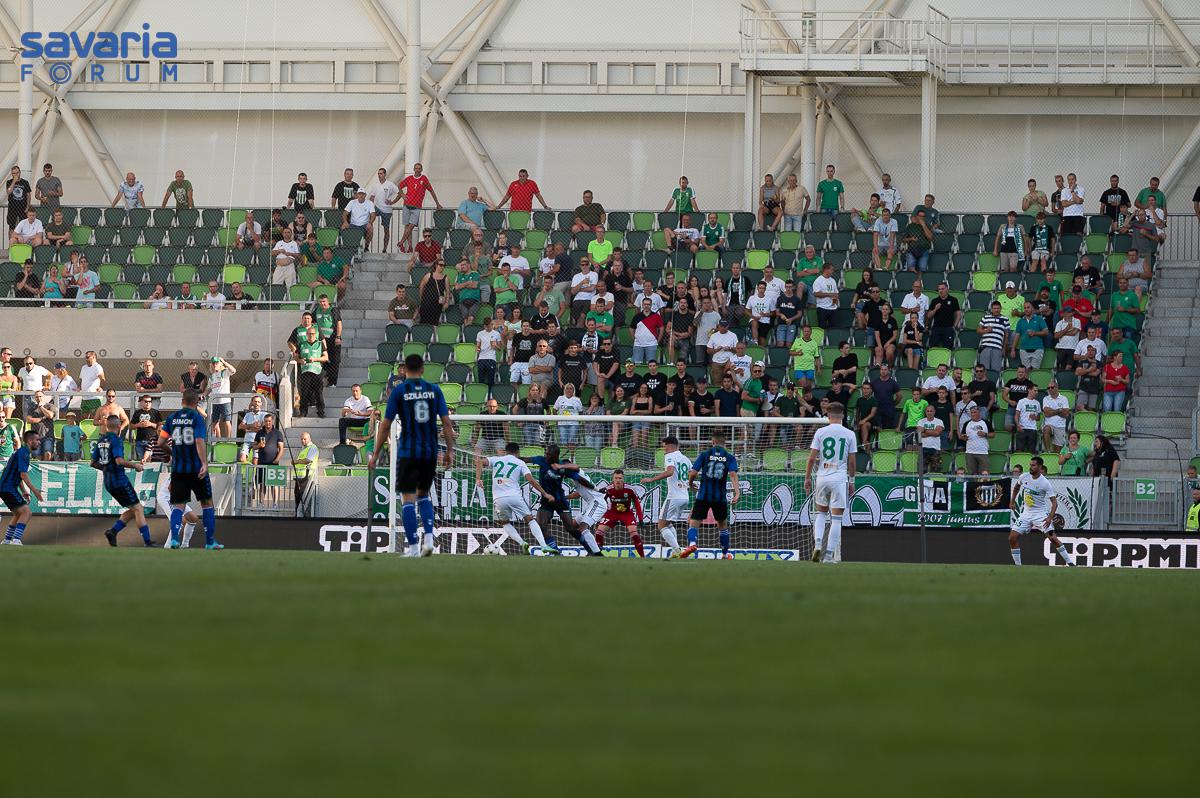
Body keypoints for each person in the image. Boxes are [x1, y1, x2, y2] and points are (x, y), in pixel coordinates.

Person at [368, 354, 456, 557]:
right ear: (422, 369)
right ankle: (429, 539)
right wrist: (450, 450)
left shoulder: (399, 391)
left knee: (408, 499)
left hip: (408, 450)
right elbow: (446, 423)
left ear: (405, 370)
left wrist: (376, 453)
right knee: (423, 495)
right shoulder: (434, 390)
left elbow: (386, 425)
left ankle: (414, 548)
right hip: (429, 451)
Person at [160, 389, 221, 549]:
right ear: (196, 403)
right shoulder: (197, 418)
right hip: (195, 468)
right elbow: (199, 441)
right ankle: (209, 542)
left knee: (178, 505)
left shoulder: (172, 418)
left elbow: (160, 442)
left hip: (178, 469)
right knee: (207, 504)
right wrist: (204, 463)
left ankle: (175, 539)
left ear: (182, 401)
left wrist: (174, 453)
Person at [475, 441, 554, 554]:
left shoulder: (496, 459)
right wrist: (545, 494)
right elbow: (531, 480)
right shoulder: (520, 462)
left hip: (499, 499)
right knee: (530, 519)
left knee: (505, 522)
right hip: (515, 496)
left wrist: (478, 479)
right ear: (518, 452)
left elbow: (479, 461)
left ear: (506, 451)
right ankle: (543, 545)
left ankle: (522, 543)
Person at [805, 403, 858, 563]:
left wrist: (807, 478)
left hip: (822, 476)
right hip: (839, 477)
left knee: (821, 514)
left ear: (828, 415)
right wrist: (852, 481)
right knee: (836, 519)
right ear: (843, 416)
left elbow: (812, 458)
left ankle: (818, 545)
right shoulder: (849, 434)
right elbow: (852, 462)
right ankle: (828, 555)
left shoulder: (820, 432)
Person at [680, 429, 740, 560]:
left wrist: (690, 483)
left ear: (712, 441)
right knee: (722, 525)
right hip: (720, 497)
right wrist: (737, 492)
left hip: (703, 495)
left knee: (694, 522)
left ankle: (692, 544)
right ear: (725, 442)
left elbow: (693, 472)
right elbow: (733, 474)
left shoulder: (705, 454)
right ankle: (725, 554)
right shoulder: (730, 457)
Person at [93, 415, 153, 547]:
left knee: (133, 508)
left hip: (108, 482)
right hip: (119, 480)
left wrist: (106, 469)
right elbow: (119, 461)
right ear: (119, 426)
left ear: (107, 426)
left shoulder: (101, 440)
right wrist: (135, 465)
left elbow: (93, 463)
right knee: (138, 508)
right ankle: (148, 542)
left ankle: (113, 532)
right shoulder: (116, 440)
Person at [1008, 456, 1076, 566]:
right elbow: (1016, 487)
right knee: (1012, 538)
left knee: (1053, 538)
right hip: (1026, 514)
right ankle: (1018, 566)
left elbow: (1055, 503)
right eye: (1030, 465)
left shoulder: (1045, 483)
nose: (1031, 467)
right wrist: (1012, 501)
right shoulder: (1024, 476)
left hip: (1040, 514)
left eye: (1033, 465)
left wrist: (1049, 518)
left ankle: (1070, 563)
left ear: (1040, 467)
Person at [0, 430, 44, 545]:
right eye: (37, 440)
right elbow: (23, 475)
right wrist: (35, 491)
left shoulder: (21, 452)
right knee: (27, 513)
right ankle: (16, 540)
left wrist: (24, 491)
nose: (39, 442)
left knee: (18, 514)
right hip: (8, 488)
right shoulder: (24, 453)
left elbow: (18, 474)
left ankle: (7, 540)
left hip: (5, 488)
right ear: (30, 441)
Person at [593, 469, 646, 556]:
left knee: (634, 533)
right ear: (613, 479)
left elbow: (637, 504)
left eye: (620, 478)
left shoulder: (630, 489)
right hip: (612, 513)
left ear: (623, 479)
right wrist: (596, 516)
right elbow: (600, 502)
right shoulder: (608, 489)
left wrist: (640, 519)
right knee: (599, 532)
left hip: (627, 513)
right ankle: (597, 554)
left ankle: (642, 557)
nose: (618, 480)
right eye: (616, 478)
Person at [397, 163, 442, 253]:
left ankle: (401, 242)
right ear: (414, 169)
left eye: (419, 168)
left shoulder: (424, 179)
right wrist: (402, 194)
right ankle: (410, 246)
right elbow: (399, 185)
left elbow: (431, 191)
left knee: (411, 226)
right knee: (407, 227)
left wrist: (437, 203)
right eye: (416, 168)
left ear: (421, 169)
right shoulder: (409, 178)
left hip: (416, 207)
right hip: (407, 205)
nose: (417, 170)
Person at [295, 327, 328, 418]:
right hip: (305, 371)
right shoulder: (302, 344)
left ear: (316, 334)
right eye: (309, 334)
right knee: (304, 393)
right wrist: (300, 360)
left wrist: (315, 359)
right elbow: (296, 357)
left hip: (317, 372)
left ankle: (320, 411)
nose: (311, 335)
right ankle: (303, 412)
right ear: (306, 335)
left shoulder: (320, 344)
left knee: (318, 392)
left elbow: (326, 357)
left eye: (313, 334)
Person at [292, 431, 318, 515]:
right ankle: (298, 515)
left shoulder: (312, 448)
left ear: (309, 439)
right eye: (301, 439)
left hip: (307, 478)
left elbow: (308, 460)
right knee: (298, 497)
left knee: (305, 499)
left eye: (305, 439)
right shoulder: (304, 449)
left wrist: (297, 461)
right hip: (300, 478)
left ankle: (305, 517)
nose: (303, 441)